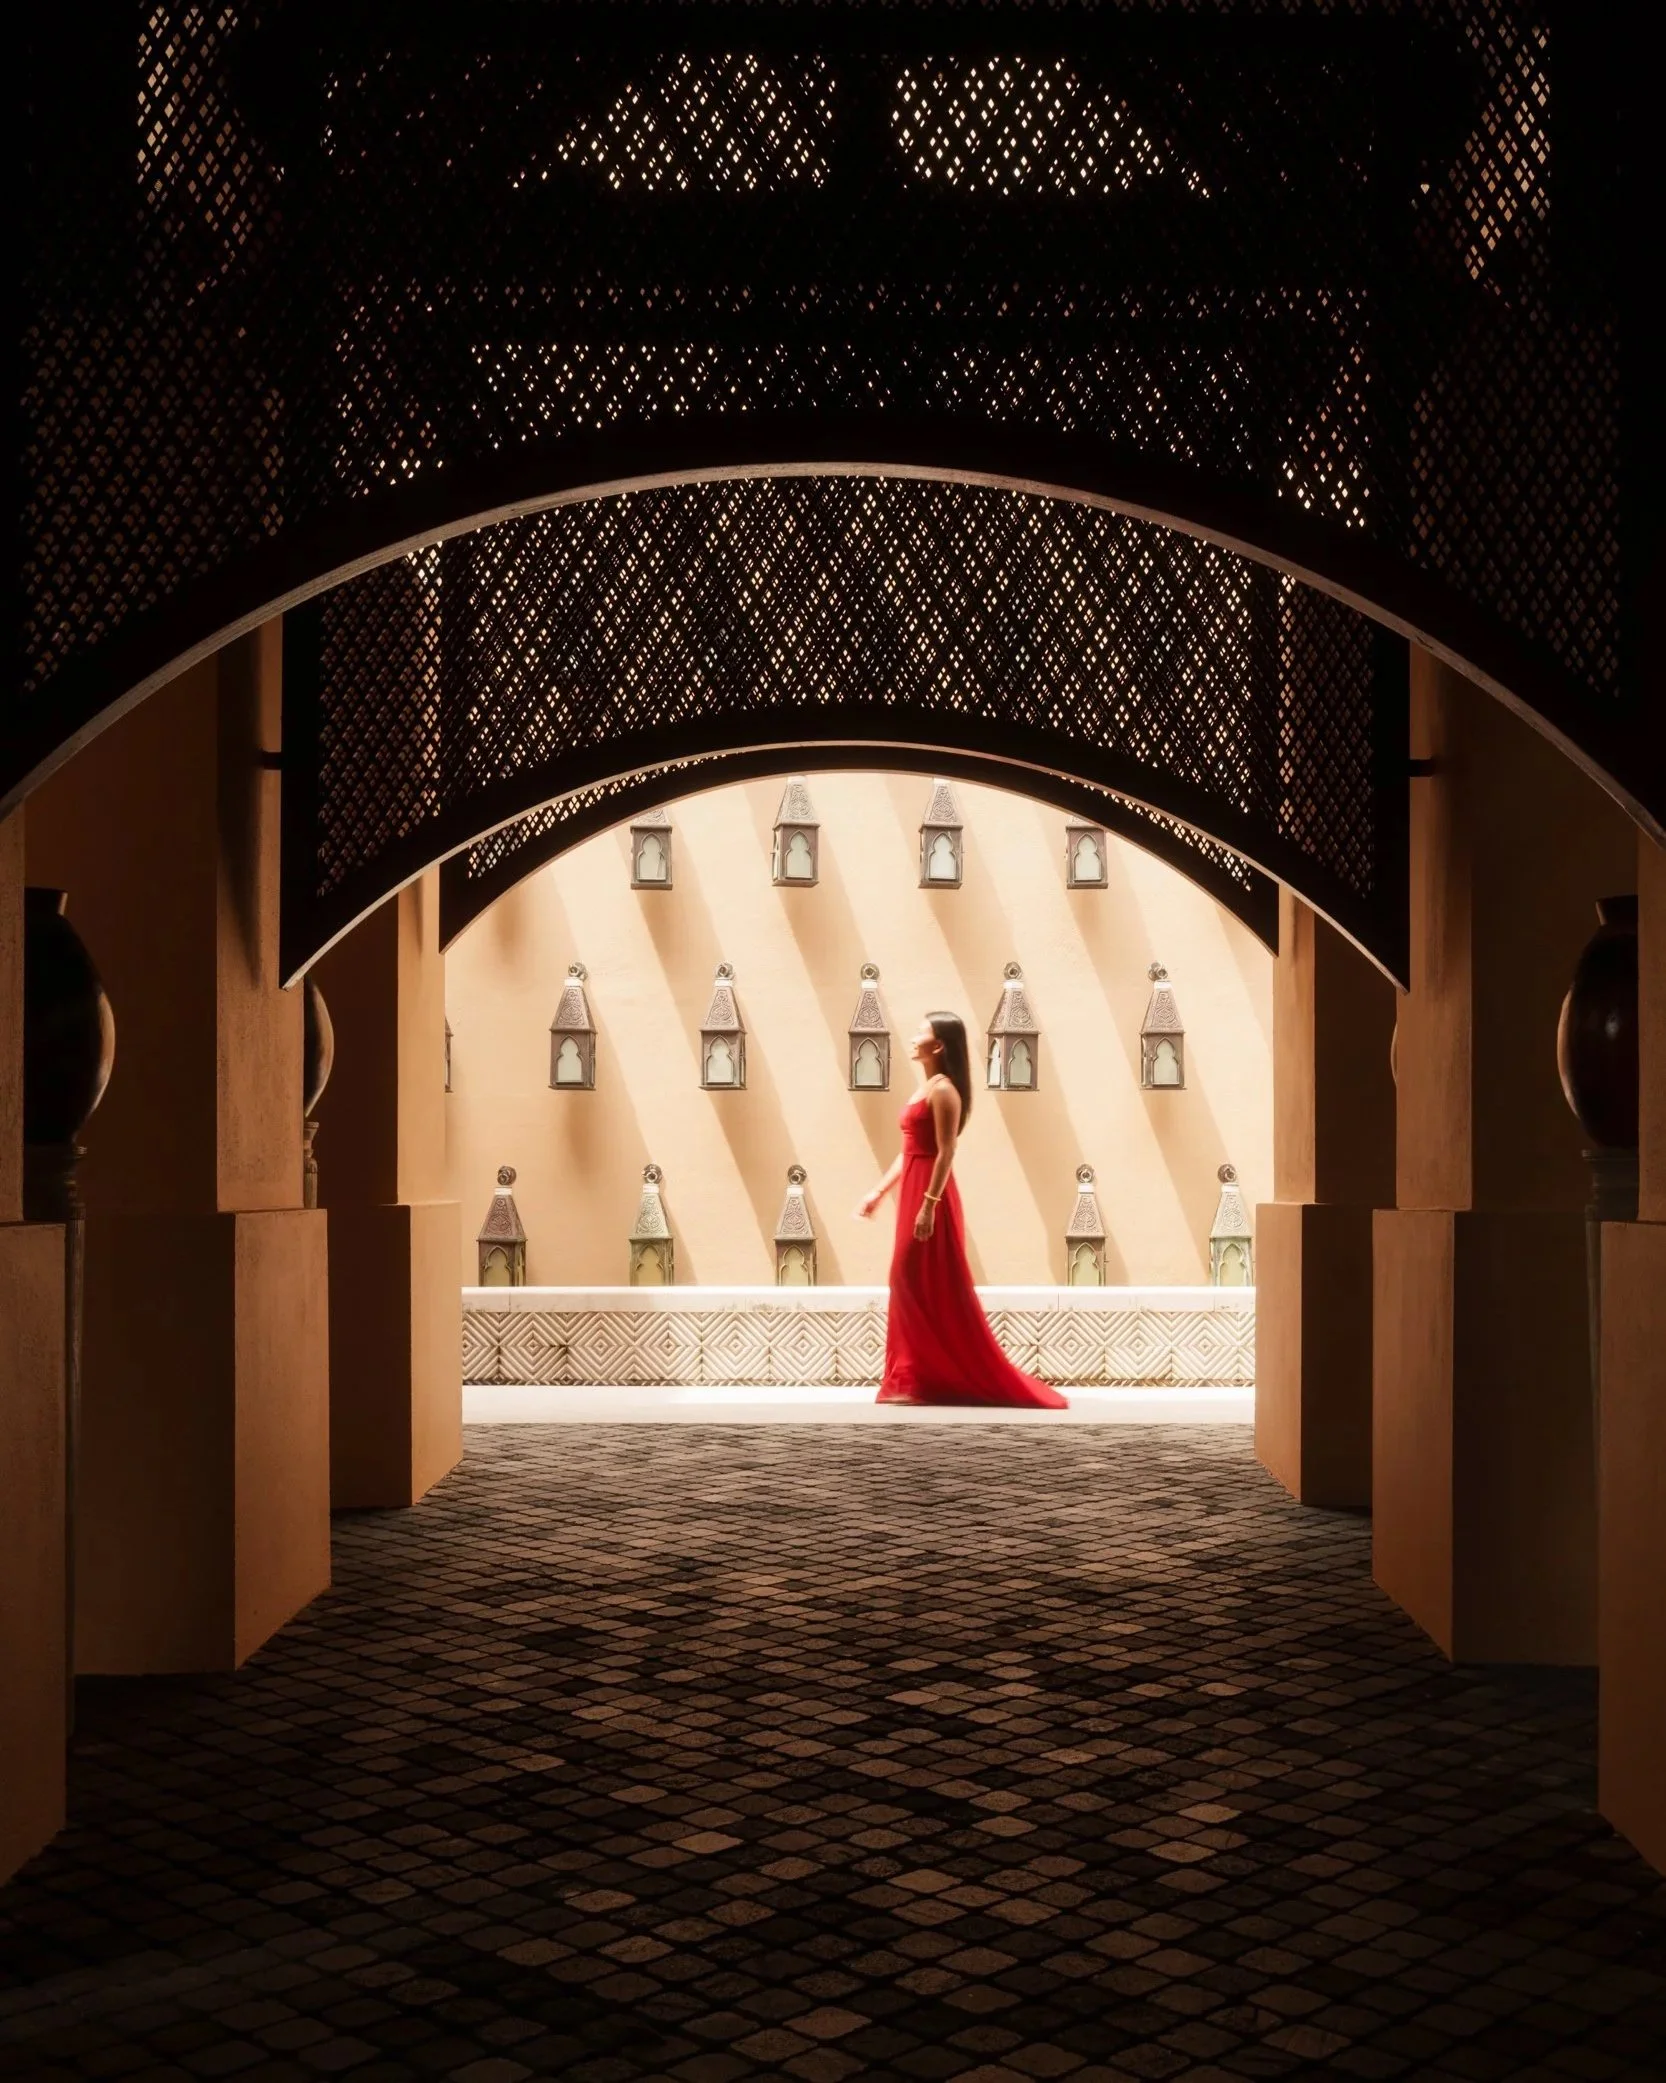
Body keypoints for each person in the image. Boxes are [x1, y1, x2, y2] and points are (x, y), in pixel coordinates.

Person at [857, 1012, 1068, 1409]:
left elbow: (946, 1151)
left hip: (931, 1196)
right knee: (907, 1282)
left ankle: (938, 1374)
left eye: (922, 1032)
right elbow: (910, 1152)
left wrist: (928, 1207)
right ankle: (920, 1375)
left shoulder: (945, 1092)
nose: (914, 1036)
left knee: (918, 1279)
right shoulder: (925, 1089)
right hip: (915, 1191)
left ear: (938, 1046)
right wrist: (879, 1192)